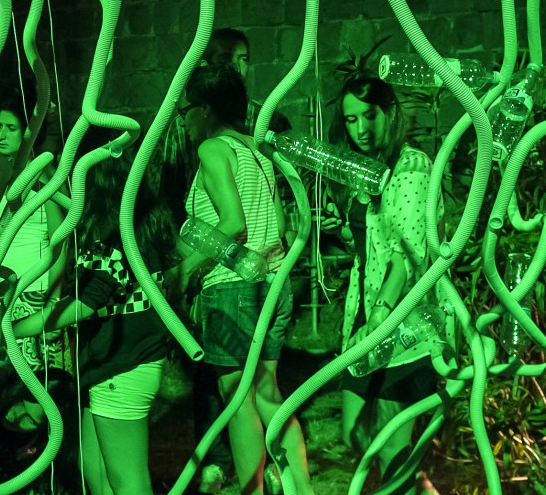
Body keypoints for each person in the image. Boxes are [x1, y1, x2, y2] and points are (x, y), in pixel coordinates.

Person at [172, 65, 314, 495]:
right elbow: (279, 225)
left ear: (205, 109)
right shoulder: (256, 149)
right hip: (273, 284)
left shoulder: (213, 149)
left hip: (233, 287)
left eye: (186, 110)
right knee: (268, 394)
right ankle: (304, 489)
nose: (182, 120)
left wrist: (184, 269)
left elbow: (233, 224)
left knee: (237, 401)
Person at [6, 134, 174, 494]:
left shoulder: (113, 227)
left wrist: (12, 330)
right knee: (97, 476)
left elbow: (88, 301)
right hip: (110, 365)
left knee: (128, 484)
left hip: (122, 367)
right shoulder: (133, 216)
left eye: (72, 166)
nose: (68, 176)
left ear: (91, 170)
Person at [326, 74, 437, 495]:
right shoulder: (368, 171)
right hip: (363, 321)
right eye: (351, 119)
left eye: (368, 116)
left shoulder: (410, 167)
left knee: (392, 450)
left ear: (388, 112)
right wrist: (342, 230)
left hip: (400, 325)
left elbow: (405, 257)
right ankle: (417, 485)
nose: (360, 129)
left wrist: (381, 315)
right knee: (354, 435)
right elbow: (372, 244)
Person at [0, 86, 70, 373]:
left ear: (29, 132)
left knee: (31, 380)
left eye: (11, 128)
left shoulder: (45, 173)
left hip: (32, 291)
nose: (1, 135)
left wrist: (54, 302)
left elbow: (61, 240)